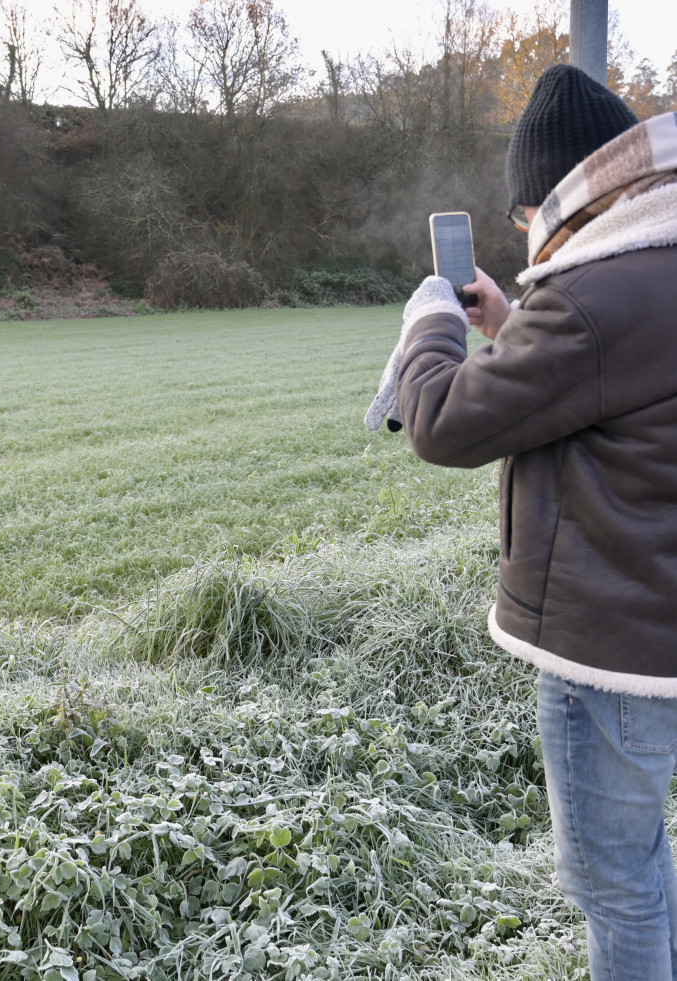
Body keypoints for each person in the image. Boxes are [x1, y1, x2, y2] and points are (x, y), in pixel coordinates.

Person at [366, 64, 677, 980]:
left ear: (562, 197)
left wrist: (433, 321)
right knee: (647, 859)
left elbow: (442, 423)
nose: (524, 236)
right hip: (663, 621)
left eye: (522, 218)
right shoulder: (651, 271)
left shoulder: (589, 301)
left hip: (611, 653)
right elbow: (614, 394)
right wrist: (513, 325)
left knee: (611, 878)